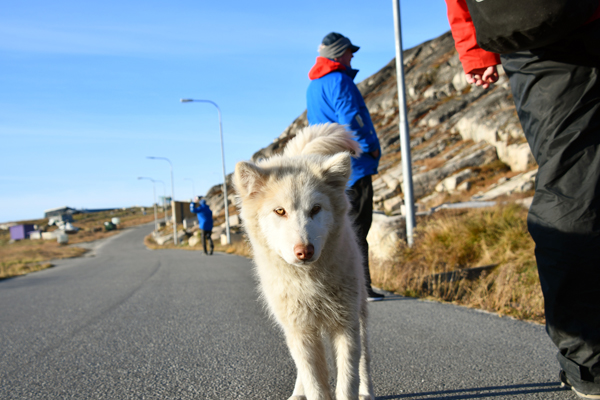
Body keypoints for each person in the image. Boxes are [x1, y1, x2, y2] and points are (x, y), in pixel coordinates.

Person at [445, 1, 600, 397]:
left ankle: (588, 361)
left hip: (528, 34)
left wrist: (474, 49)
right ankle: (589, 359)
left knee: (572, 182)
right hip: (550, 30)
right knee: (574, 189)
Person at [306, 32, 384, 302]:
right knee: (359, 226)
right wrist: (369, 147)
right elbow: (352, 119)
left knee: (336, 227)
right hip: (353, 166)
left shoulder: (313, 86)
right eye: (350, 51)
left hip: (327, 168)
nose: (352, 56)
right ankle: (361, 288)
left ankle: (335, 288)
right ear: (338, 54)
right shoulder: (340, 80)